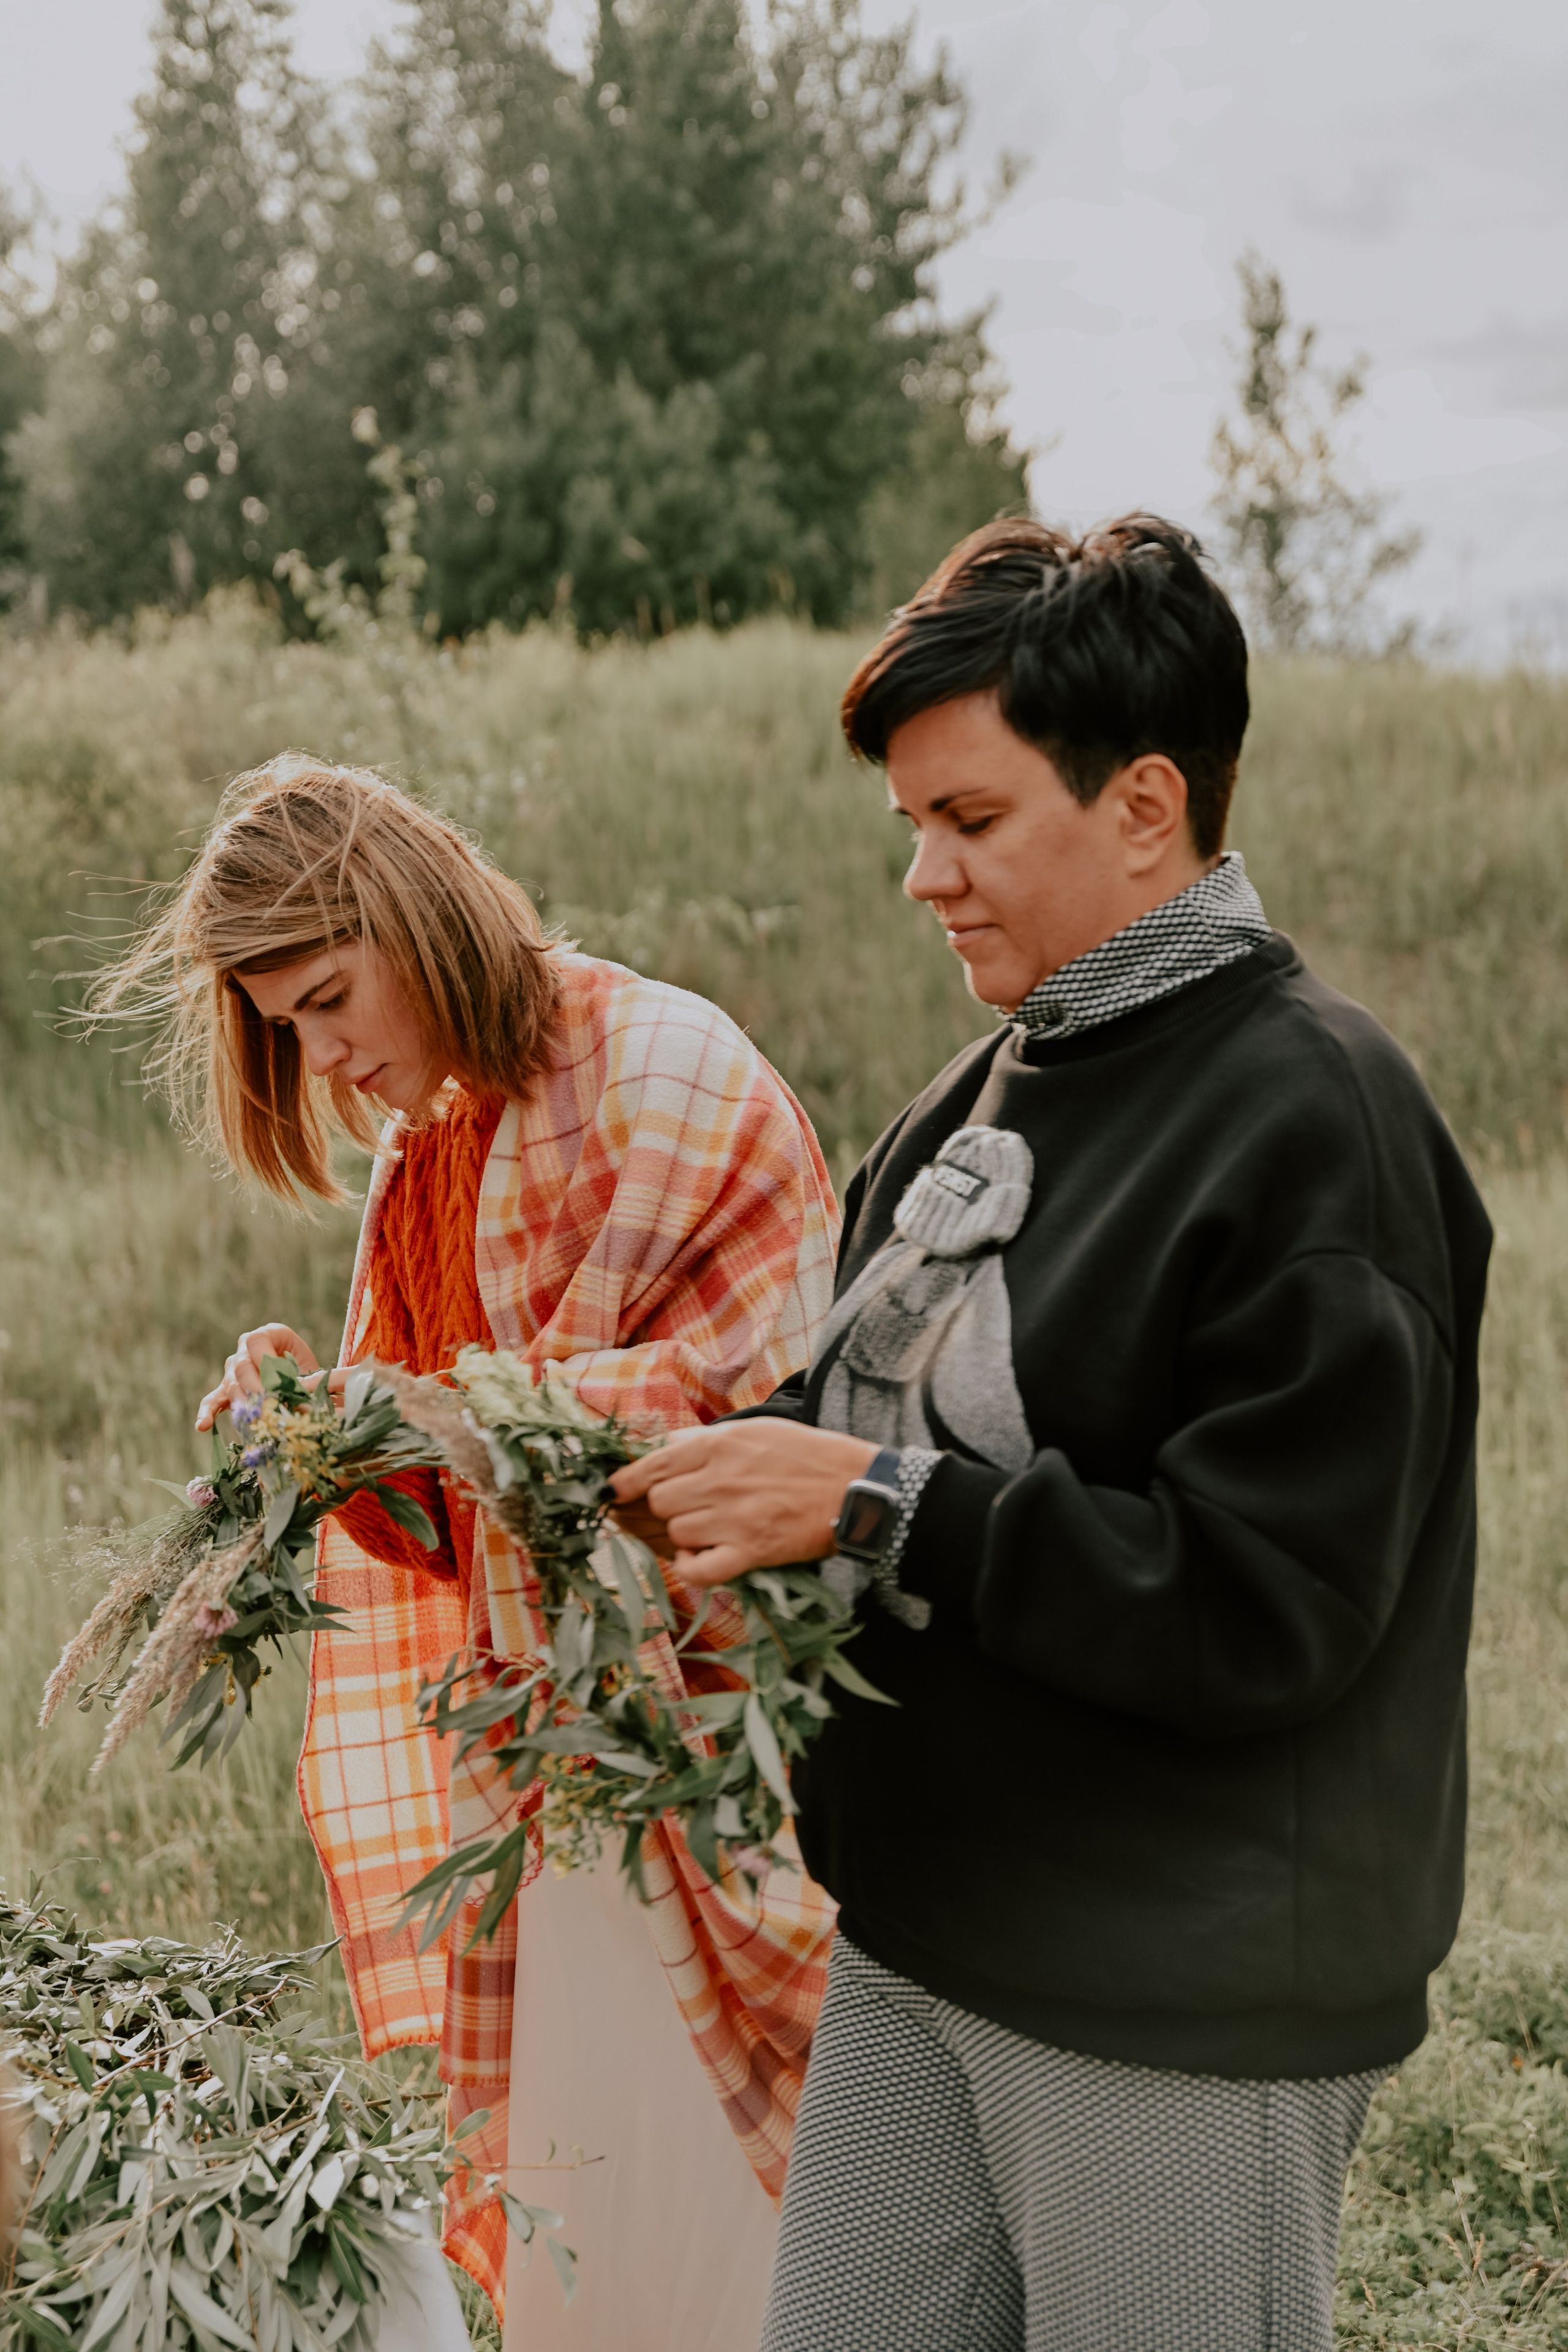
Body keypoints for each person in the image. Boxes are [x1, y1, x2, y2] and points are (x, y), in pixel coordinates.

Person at [611, 515, 1493, 2352]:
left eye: (976, 821)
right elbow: (874, 1417)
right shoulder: (981, 1083)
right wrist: (615, 1474)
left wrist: (869, 1504)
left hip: (1182, 2000)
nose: (926, 876)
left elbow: (1265, 1606)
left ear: (1148, 802)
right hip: (923, 1949)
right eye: (913, 827)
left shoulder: (1316, 1119)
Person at [96, 758, 840, 2350]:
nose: (324, 1052)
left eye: (327, 997)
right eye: (287, 1027)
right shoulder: (423, 1155)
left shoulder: (663, 1069)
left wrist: (429, 1417)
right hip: (545, 1772)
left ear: (415, 923)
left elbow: (757, 1401)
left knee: (743, 2233)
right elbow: (435, 1516)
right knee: (597, 2225)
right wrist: (309, 1429)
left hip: (706, 1745)